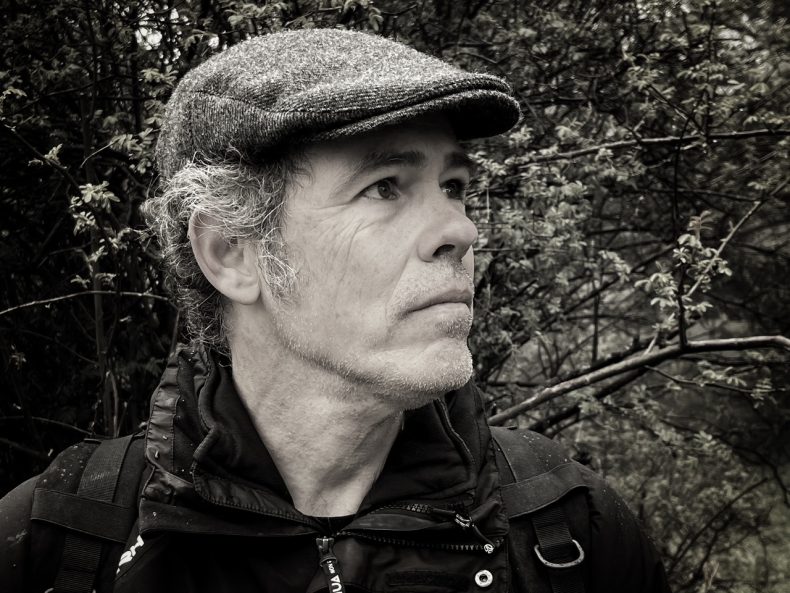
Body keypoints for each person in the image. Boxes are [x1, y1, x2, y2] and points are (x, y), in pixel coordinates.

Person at [0, 28, 671, 593]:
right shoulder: (56, 539)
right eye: (385, 187)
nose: (462, 231)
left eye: (454, 185)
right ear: (232, 253)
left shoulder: (569, 531)